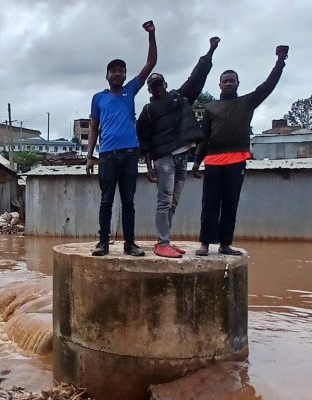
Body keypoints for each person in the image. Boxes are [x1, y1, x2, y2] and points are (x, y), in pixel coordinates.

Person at [191, 45, 289, 256]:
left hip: (236, 161)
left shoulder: (247, 102)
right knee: (209, 204)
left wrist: (280, 61)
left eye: (232, 81)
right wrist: (197, 162)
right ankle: (205, 244)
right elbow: (203, 137)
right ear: (219, 84)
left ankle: (225, 244)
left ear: (237, 84)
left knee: (230, 204)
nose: (228, 83)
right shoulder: (211, 107)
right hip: (214, 162)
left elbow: (268, 85)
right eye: (225, 81)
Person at [136, 37, 220, 258]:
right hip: (164, 159)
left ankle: (165, 241)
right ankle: (162, 242)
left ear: (165, 84)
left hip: (183, 157)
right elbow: (143, 139)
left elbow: (197, 76)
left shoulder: (180, 98)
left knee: (173, 201)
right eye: (153, 86)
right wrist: (149, 165)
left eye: (160, 84)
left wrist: (210, 50)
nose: (158, 88)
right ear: (150, 90)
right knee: (164, 200)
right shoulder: (147, 110)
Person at [85, 20, 157, 257]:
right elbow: (94, 128)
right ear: (107, 75)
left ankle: (130, 244)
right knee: (106, 201)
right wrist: (88, 157)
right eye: (114, 70)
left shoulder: (131, 90)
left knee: (128, 202)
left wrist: (151, 35)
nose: (117, 73)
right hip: (106, 155)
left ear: (125, 75)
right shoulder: (98, 98)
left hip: (129, 153)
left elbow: (151, 63)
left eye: (121, 70)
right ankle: (103, 243)